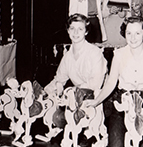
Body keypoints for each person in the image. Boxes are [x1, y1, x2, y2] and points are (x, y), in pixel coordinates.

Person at [85, 16, 143, 147]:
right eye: (129, 33)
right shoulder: (119, 54)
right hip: (122, 101)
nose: (133, 38)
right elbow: (111, 83)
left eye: (137, 33)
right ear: (124, 34)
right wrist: (96, 101)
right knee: (116, 144)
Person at [44, 13, 108, 145]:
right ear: (68, 31)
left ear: (86, 31)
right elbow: (59, 79)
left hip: (99, 100)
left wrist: (71, 91)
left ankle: (90, 133)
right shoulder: (67, 56)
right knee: (56, 118)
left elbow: (95, 84)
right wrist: (45, 91)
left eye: (80, 29)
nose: (76, 32)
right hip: (77, 101)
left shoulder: (95, 53)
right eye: (72, 28)